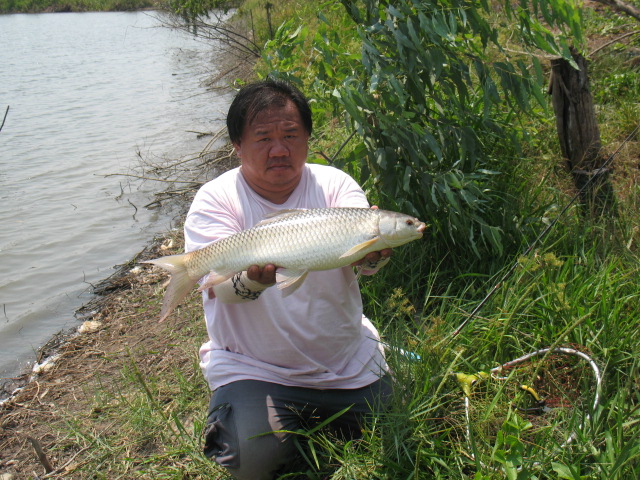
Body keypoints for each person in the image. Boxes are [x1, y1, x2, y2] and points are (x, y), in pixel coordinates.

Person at [184, 79, 393, 480]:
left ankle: (367, 368)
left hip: (343, 359)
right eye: (263, 138)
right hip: (256, 366)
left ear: (308, 138)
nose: (279, 149)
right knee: (253, 462)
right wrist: (255, 281)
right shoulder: (216, 199)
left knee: (389, 424)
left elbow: (358, 262)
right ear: (237, 146)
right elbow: (222, 292)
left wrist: (374, 259)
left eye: (291, 135)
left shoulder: (336, 185)